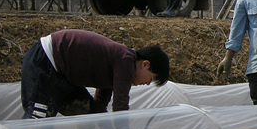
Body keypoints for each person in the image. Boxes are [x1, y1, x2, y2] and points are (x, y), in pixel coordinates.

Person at [20, 29, 169, 118]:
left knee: (88, 113)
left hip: (63, 74)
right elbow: (120, 106)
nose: (147, 83)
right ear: (145, 64)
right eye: (152, 78)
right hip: (46, 61)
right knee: (38, 120)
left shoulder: (116, 65)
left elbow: (99, 107)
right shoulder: (125, 60)